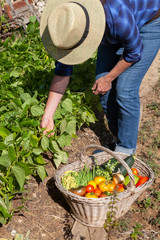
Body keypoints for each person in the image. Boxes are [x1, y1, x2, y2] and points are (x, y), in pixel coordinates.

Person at [40, 0, 160, 155]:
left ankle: (126, 152)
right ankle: (120, 139)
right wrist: (48, 115)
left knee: (125, 89)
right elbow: (62, 72)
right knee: (103, 93)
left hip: (149, 22)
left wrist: (108, 78)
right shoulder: (68, 22)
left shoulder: (117, 16)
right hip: (113, 29)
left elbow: (134, 53)